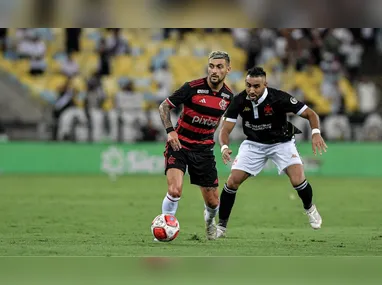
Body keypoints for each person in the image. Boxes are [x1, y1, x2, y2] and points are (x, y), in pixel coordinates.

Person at [217, 66, 327, 238]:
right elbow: (224, 130)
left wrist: (316, 133)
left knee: (298, 180)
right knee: (232, 181)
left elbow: (311, 114)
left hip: (281, 143)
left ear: (265, 85)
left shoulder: (279, 98)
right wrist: (224, 147)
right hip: (254, 144)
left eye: (256, 86)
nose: (251, 90)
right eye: (248, 85)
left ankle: (310, 208)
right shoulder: (239, 100)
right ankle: (221, 227)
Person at [158, 51, 234, 240]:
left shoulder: (228, 97)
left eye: (219, 66)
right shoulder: (191, 88)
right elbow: (164, 106)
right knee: (174, 190)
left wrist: (221, 144)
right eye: (211, 66)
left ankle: (209, 224)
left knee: (213, 202)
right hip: (179, 145)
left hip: (204, 150)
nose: (214, 70)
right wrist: (170, 131)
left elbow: (220, 123)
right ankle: (164, 229)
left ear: (228, 69)